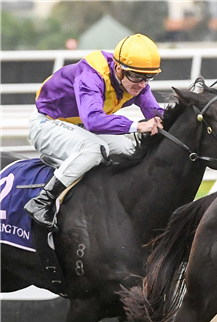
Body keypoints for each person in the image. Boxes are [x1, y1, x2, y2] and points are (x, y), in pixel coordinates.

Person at [25, 34, 165, 229]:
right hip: (46, 123)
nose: (142, 84)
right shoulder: (93, 74)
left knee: (133, 149)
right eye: (136, 76)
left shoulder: (136, 83)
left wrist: (190, 111)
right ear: (118, 69)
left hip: (77, 126)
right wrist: (137, 126)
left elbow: (158, 115)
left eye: (148, 77)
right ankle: (43, 201)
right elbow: (93, 120)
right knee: (95, 148)